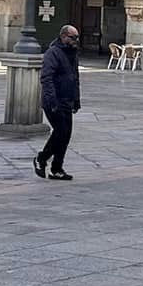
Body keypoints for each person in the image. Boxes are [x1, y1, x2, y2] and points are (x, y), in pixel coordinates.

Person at [35, 24, 82, 180]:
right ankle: (41, 158)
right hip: (54, 101)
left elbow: (75, 78)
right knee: (61, 132)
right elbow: (46, 78)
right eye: (73, 37)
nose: (76, 40)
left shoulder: (73, 53)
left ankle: (56, 168)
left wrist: (76, 99)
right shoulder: (53, 53)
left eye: (77, 37)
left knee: (65, 135)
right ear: (63, 36)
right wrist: (52, 100)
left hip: (67, 100)